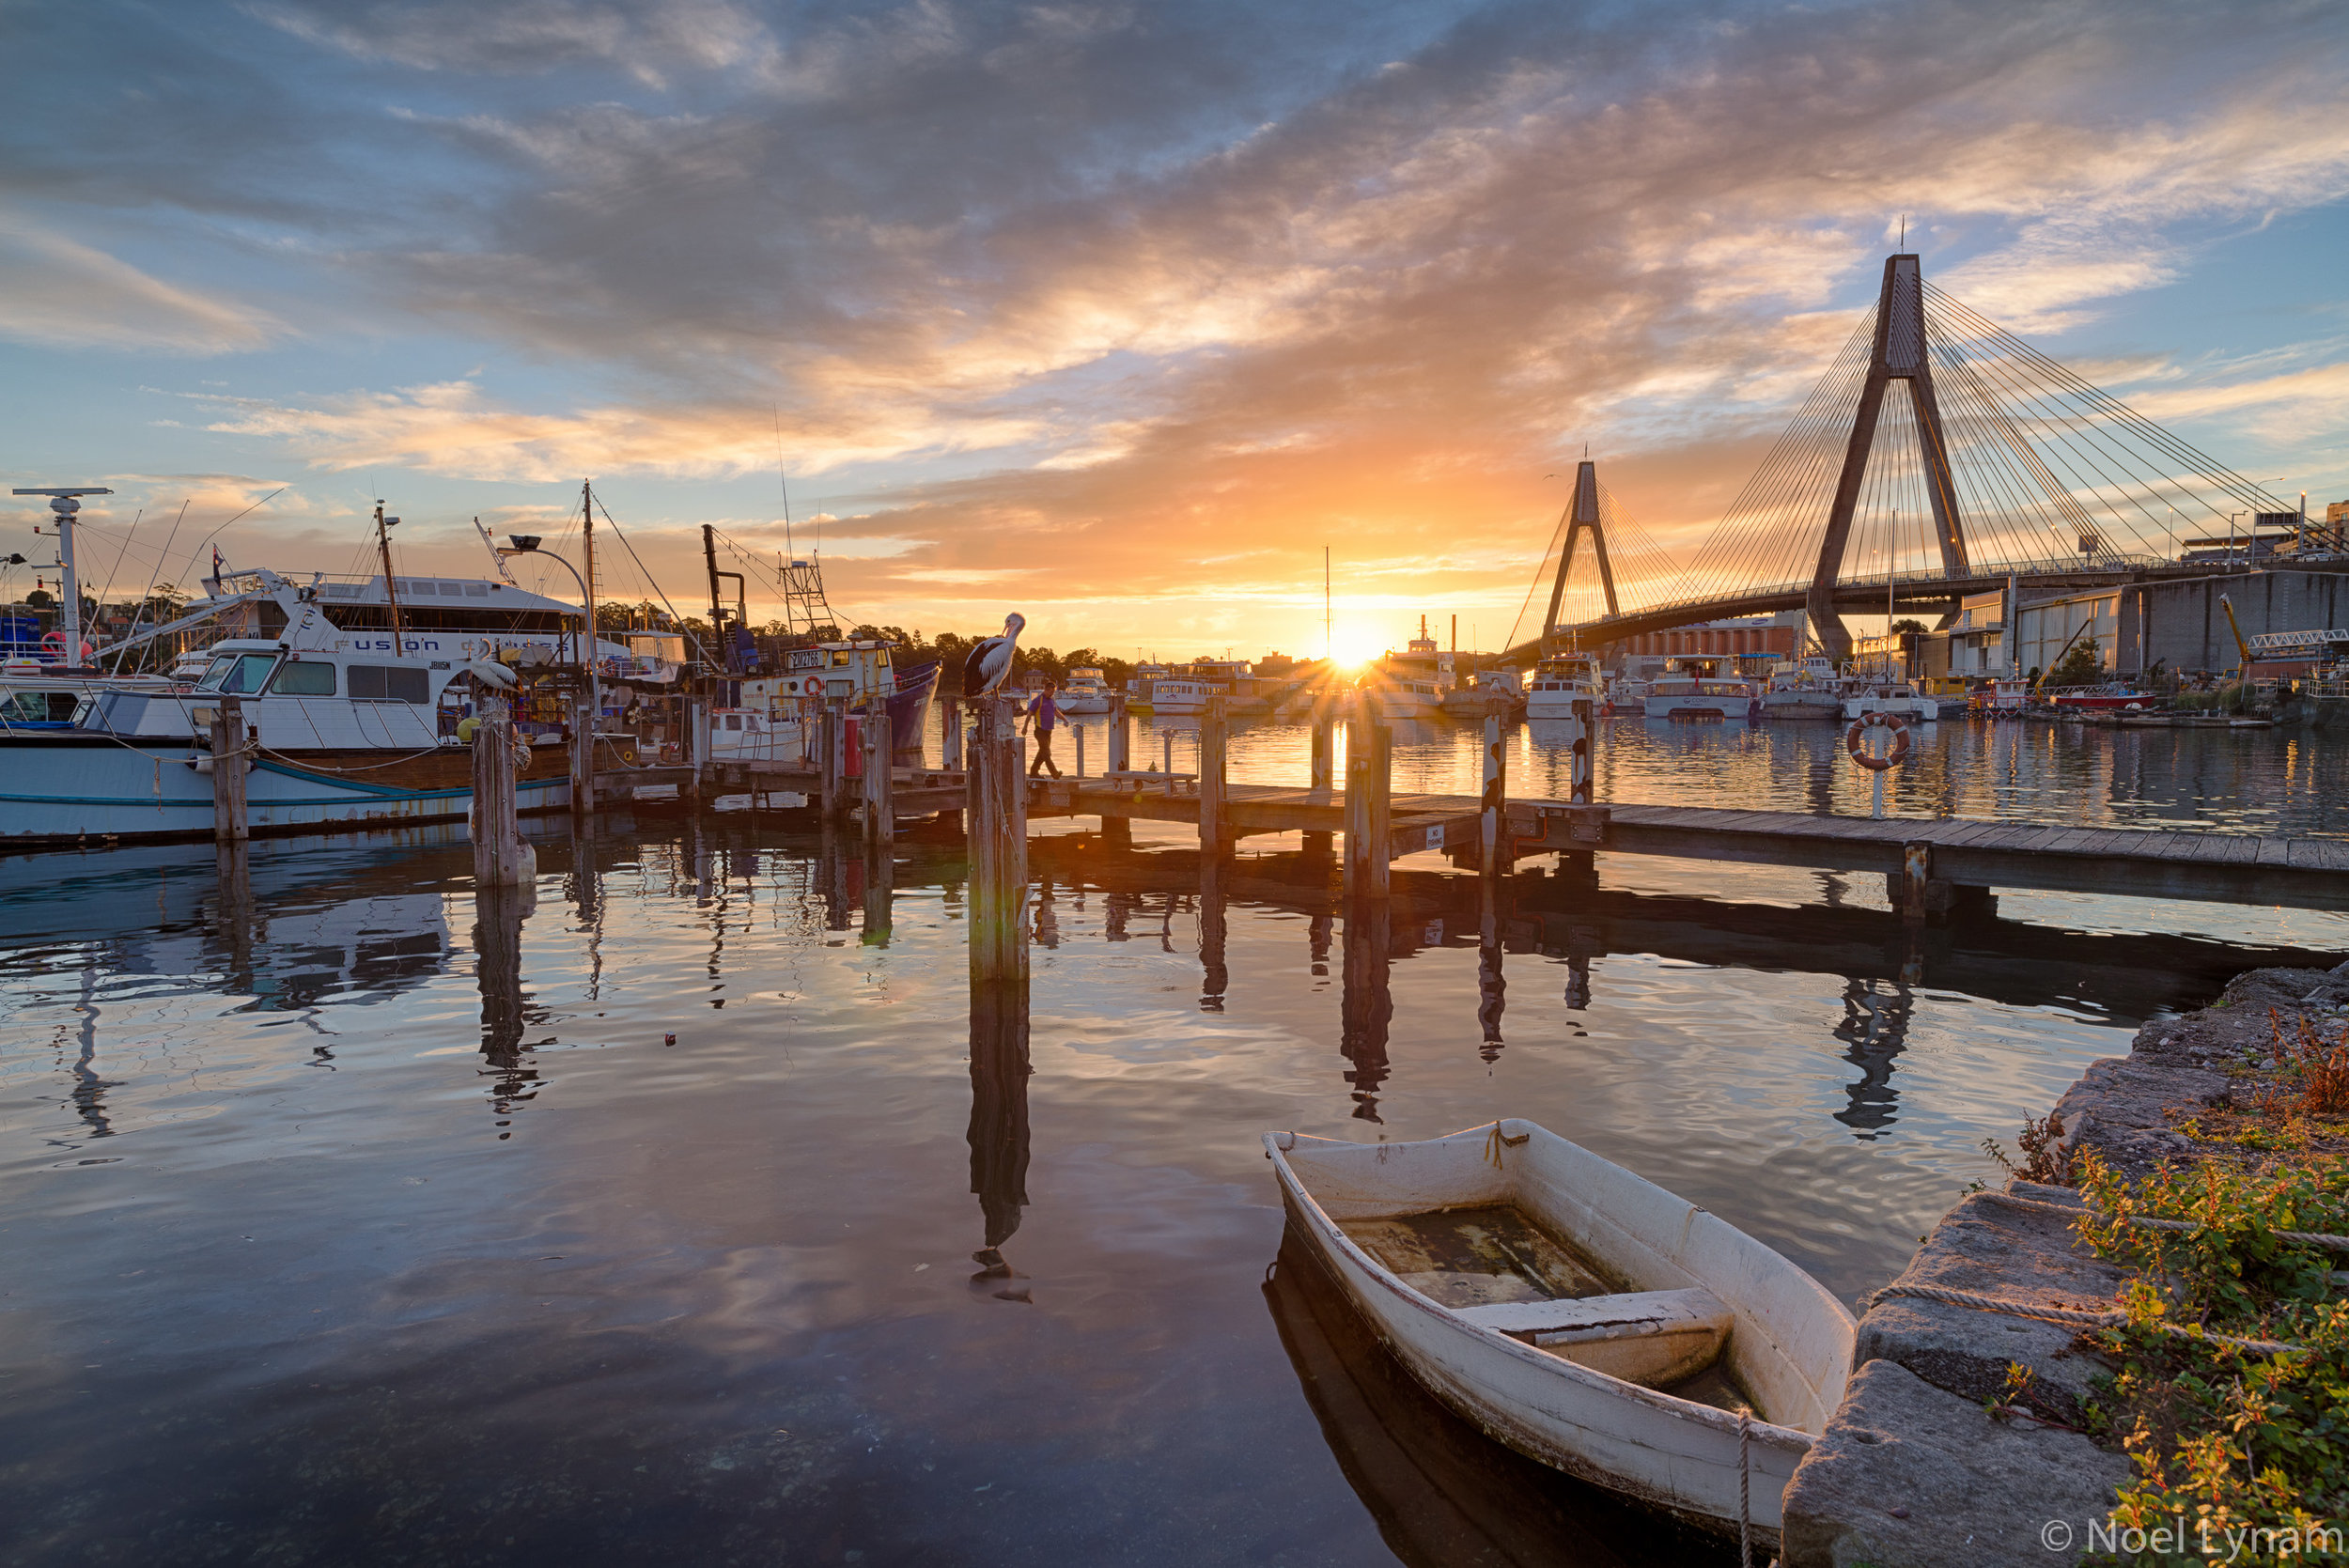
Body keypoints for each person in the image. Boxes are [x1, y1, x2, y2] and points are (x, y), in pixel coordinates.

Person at [1026, 684, 1065, 777]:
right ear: (1046, 690)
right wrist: (1025, 727)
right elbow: (1029, 714)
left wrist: (1064, 719)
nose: (1052, 694)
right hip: (1040, 731)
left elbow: (1055, 711)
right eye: (1051, 692)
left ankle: (1033, 772)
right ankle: (1054, 773)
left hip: (1048, 731)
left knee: (1042, 753)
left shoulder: (1051, 700)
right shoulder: (1038, 700)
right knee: (1047, 753)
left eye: (1053, 692)